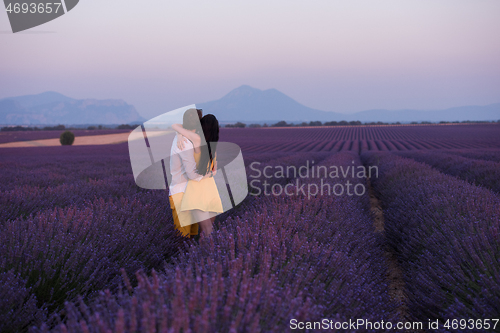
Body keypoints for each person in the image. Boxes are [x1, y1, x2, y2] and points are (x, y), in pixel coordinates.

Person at [172, 113, 223, 237]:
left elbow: (175, 125)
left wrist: (179, 134)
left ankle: (206, 254)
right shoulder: (214, 146)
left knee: (207, 230)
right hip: (211, 189)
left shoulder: (196, 139)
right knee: (208, 230)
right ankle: (207, 254)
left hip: (196, 189)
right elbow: (214, 171)